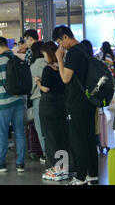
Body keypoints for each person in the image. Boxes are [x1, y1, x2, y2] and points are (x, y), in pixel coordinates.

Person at [53, 25, 98, 185]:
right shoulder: (85, 49)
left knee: (78, 140)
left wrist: (59, 58)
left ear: (65, 37)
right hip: (89, 101)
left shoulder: (72, 52)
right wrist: (62, 66)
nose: (60, 46)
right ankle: (92, 174)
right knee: (89, 138)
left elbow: (65, 78)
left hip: (76, 102)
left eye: (59, 41)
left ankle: (80, 176)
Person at [0, 37, 25, 173]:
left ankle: (1, 162)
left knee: (1, 133)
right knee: (19, 132)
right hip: (19, 100)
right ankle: (20, 164)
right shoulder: (18, 57)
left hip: (3, 102)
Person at [35, 41, 70, 181]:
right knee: (61, 137)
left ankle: (56, 169)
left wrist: (38, 82)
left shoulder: (48, 69)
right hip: (62, 104)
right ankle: (64, 168)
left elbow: (46, 88)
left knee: (50, 138)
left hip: (48, 106)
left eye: (44, 54)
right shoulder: (63, 67)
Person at [29, 41, 47, 164]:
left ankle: (46, 154)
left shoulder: (33, 67)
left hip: (38, 98)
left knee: (41, 128)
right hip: (52, 98)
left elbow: (31, 87)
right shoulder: (51, 63)